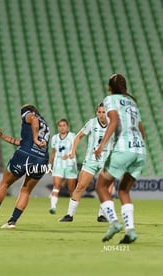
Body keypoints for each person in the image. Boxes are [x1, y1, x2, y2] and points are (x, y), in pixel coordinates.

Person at [0, 104, 50, 229]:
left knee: (4, 183)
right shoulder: (45, 125)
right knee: (26, 190)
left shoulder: (28, 113)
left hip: (25, 155)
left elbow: (33, 119)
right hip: (42, 159)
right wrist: (2, 136)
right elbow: (22, 142)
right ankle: (12, 222)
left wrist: (35, 140)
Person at [94, 74, 146, 243]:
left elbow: (114, 120)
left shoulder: (110, 99)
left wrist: (102, 145)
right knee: (123, 191)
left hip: (124, 148)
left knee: (101, 186)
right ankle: (130, 230)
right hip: (140, 150)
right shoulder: (132, 102)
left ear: (110, 86)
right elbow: (141, 129)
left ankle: (114, 223)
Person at [59, 103, 113, 222]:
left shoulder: (114, 124)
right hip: (91, 160)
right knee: (81, 186)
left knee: (108, 187)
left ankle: (102, 215)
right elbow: (78, 136)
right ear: (96, 113)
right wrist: (73, 151)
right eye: (99, 112)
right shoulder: (92, 123)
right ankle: (69, 215)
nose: (101, 115)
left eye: (104, 112)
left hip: (106, 160)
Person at [48, 118, 77, 214]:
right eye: (60, 126)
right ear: (58, 127)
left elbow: (74, 150)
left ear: (67, 126)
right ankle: (53, 207)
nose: (62, 127)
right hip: (58, 164)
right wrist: (49, 165)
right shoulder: (55, 138)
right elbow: (53, 152)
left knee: (71, 189)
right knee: (56, 185)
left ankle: (71, 211)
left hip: (70, 164)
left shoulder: (73, 136)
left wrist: (68, 155)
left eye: (64, 125)